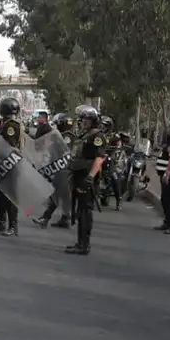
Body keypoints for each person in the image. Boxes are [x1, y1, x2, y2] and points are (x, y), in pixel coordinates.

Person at [65, 105, 107, 255]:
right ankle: (80, 242)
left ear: (93, 120)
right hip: (78, 175)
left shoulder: (97, 136)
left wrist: (90, 177)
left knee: (85, 212)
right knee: (80, 210)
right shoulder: (84, 135)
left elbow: (99, 157)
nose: (84, 122)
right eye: (82, 119)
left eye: (87, 119)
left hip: (86, 177)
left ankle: (84, 245)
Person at [0, 97, 22, 237]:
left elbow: (9, 145)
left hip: (11, 165)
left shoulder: (11, 126)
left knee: (10, 197)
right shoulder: (8, 123)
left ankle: (13, 226)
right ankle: (1, 223)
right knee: (2, 195)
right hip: (7, 164)